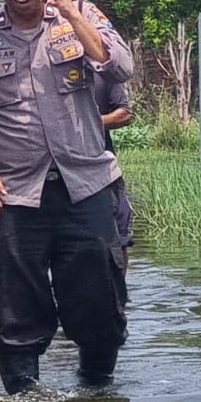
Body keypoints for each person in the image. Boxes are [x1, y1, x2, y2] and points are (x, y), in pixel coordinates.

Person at [0, 0, 134, 393]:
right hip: (12, 191)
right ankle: (22, 399)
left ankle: (96, 390)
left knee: (98, 294)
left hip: (86, 183)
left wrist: (71, 13)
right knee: (14, 302)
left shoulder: (83, 16)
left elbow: (120, 68)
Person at [93, 75, 136, 264]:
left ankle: (120, 292)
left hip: (103, 168)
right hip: (50, 174)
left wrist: (88, 122)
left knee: (118, 237)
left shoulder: (101, 69)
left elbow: (125, 113)